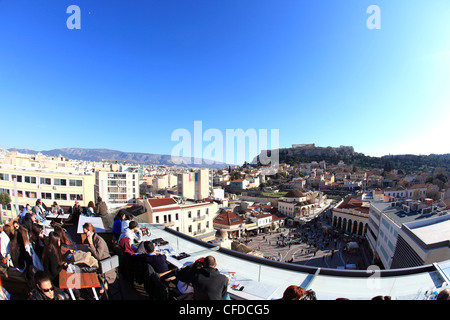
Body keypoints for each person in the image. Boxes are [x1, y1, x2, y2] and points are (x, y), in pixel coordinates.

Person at [82, 222, 117, 292]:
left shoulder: (99, 241)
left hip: (104, 264)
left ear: (91, 230)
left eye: (86, 232)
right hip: (100, 263)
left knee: (84, 269)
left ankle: (101, 285)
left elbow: (98, 256)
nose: (86, 235)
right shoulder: (91, 238)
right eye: (84, 233)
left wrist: (91, 244)